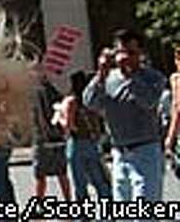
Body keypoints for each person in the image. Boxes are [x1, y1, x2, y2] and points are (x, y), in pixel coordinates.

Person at [83, 28, 166, 202]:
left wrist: (130, 75)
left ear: (140, 54)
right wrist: (101, 74)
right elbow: (89, 102)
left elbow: (148, 102)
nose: (125, 57)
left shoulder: (153, 78)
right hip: (119, 153)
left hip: (146, 151)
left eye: (131, 52)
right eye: (120, 51)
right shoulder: (108, 78)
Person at [58, 70, 111, 199]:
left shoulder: (72, 101)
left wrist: (60, 118)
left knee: (79, 182)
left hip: (76, 143)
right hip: (91, 141)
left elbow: (69, 125)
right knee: (98, 178)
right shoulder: (90, 101)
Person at [32, 73, 71, 199]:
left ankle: (39, 204)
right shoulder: (56, 94)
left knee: (40, 175)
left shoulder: (34, 95)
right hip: (56, 139)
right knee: (61, 174)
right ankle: (68, 202)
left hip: (42, 139)